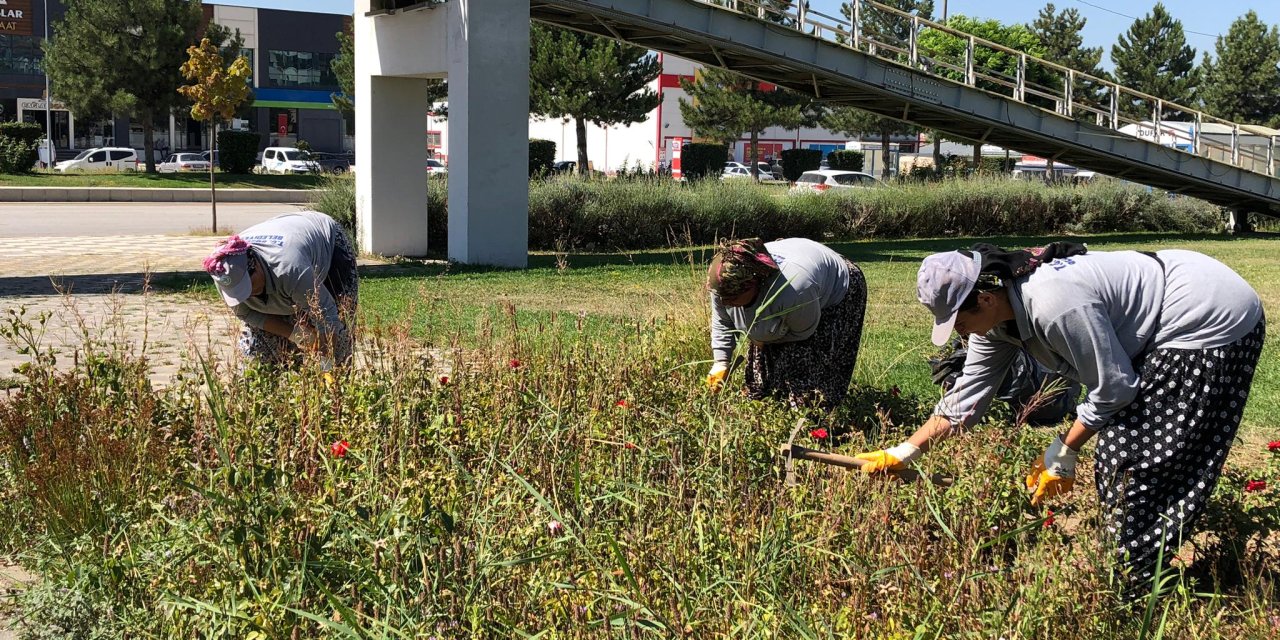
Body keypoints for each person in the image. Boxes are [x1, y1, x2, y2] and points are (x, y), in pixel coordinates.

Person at [854, 242, 1265, 596]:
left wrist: (1063, 451)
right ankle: (1130, 566)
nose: (959, 332)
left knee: (1137, 456)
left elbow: (1115, 387)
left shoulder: (1053, 303)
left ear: (986, 297)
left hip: (1206, 314)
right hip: (1161, 319)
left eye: (958, 320)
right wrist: (903, 452)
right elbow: (964, 401)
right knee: (1125, 450)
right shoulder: (993, 325)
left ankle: (1130, 585)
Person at [706, 237, 867, 410]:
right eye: (721, 297)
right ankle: (768, 408)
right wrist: (721, 362)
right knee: (761, 369)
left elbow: (803, 332)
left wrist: (764, 338)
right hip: (798, 273)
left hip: (836, 287)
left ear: (753, 285)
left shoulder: (795, 289)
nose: (725, 303)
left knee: (808, 367)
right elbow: (723, 322)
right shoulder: (723, 281)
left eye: (732, 298)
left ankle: (812, 418)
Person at [202, 211, 358, 367]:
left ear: (255, 265)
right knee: (256, 354)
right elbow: (247, 313)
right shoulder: (222, 272)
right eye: (238, 291)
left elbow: (327, 316)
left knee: (339, 339)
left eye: (247, 286)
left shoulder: (290, 269)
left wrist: (326, 364)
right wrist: (295, 334)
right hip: (288, 249)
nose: (247, 295)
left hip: (326, 239)